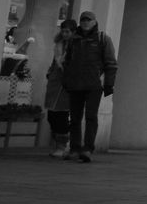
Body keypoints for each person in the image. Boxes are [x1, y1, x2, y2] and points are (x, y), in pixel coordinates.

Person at [62, 10, 117, 163]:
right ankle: (74, 148)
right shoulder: (74, 40)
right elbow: (67, 62)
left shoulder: (102, 38)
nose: (85, 22)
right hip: (75, 85)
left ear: (94, 21)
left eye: (88, 20)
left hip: (93, 85)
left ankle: (87, 149)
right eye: (83, 20)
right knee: (74, 119)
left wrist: (109, 84)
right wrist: (66, 81)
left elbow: (111, 63)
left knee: (91, 117)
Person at [45, 19, 77, 158]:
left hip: (68, 83)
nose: (64, 34)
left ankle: (62, 146)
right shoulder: (59, 45)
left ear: (73, 32)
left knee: (61, 115)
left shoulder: (77, 46)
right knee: (51, 115)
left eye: (67, 31)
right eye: (63, 31)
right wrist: (50, 72)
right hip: (55, 81)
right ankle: (58, 144)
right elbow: (54, 61)